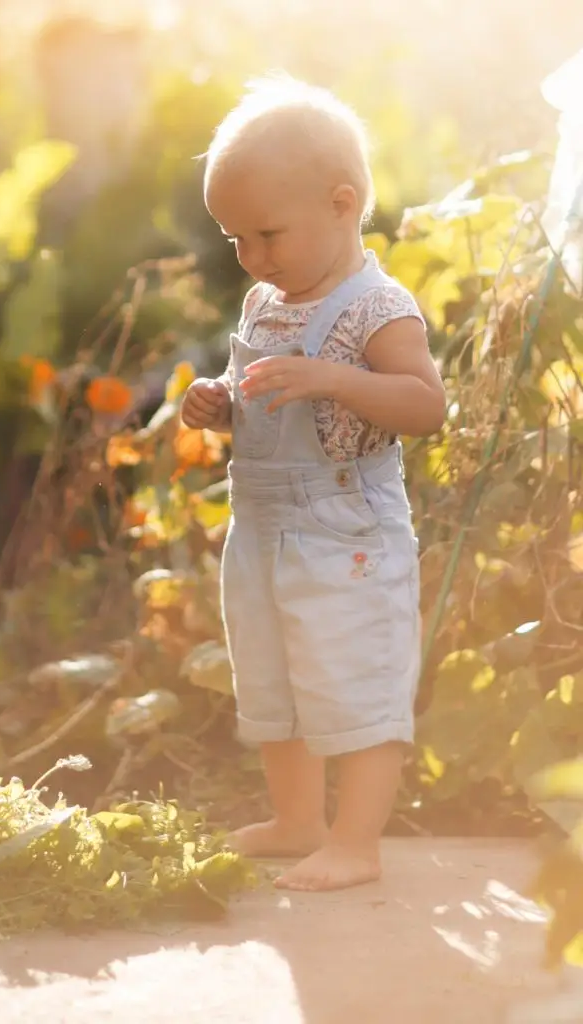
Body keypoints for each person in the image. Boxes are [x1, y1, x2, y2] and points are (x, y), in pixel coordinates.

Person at [181, 74, 446, 892]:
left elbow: (425, 405)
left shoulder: (380, 308)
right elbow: (267, 398)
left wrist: (331, 379)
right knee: (275, 678)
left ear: (342, 204)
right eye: (236, 242)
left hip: (345, 535)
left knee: (351, 679)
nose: (253, 259)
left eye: (266, 234)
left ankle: (357, 842)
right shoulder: (269, 302)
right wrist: (220, 405)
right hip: (262, 527)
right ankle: (298, 820)